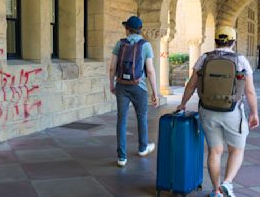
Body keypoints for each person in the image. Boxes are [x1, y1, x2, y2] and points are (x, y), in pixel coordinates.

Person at [177, 26, 259, 197]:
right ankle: (227, 183)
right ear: (233, 42)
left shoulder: (204, 58)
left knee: (215, 151)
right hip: (232, 112)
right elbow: (250, 91)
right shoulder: (241, 60)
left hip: (207, 110)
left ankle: (216, 191)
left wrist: (183, 103)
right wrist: (254, 113)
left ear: (215, 40)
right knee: (237, 149)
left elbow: (191, 85)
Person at [109, 16, 159, 167]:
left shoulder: (120, 44)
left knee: (121, 119)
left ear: (127, 29)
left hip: (121, 86)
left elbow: (112, 67)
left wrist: (112, 84)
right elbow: (150, 71)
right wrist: (155, 92)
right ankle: (143, 148)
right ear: (140, 29)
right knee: (141, 117)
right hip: (139, 87)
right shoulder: (146, 45)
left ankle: (121, 157)